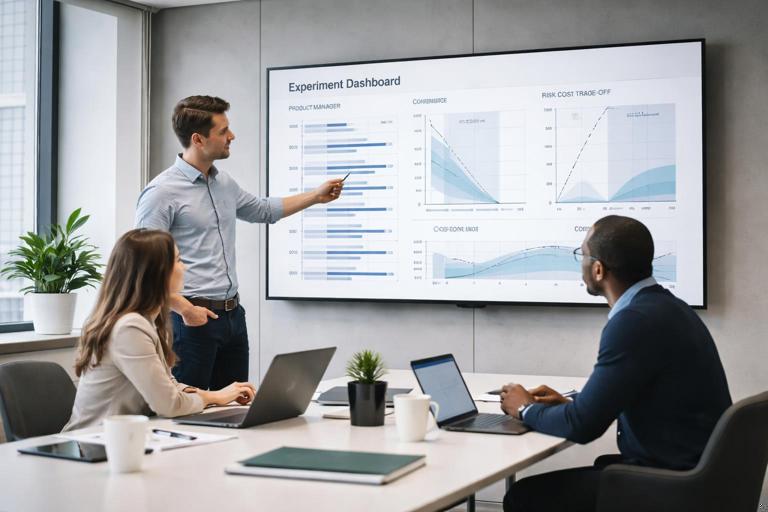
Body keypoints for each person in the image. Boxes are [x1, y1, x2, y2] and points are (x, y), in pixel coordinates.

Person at [499, 215, 731, 512]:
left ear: (598, 269)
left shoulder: (634, 321)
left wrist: (525, 408)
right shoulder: (668, 307)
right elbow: (622, 395)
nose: (580, 263)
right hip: (696, 476)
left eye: (581, 255)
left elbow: (583, 427)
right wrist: (569, 404)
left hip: (670, 484)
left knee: (524, 497)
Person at [135, 95, 344, 390]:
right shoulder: (160, 193)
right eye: (223, 131)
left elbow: (263, 210)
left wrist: (316, 196)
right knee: (186, 415)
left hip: (233, 317)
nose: (231, 136)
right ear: (198, 139)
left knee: (235, 407)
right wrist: (184, 309)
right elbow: (142, 267)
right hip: (190, 321)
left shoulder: (224, 183)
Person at [63, 229, 256, 432]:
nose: (185, 267)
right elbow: (168, 404)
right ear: (158, 273)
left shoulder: (148, 321)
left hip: (125, 439)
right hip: (94, 443)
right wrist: (216, 396)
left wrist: (221, 394)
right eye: (179, 260)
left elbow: (168, 385)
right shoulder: (129, 328)